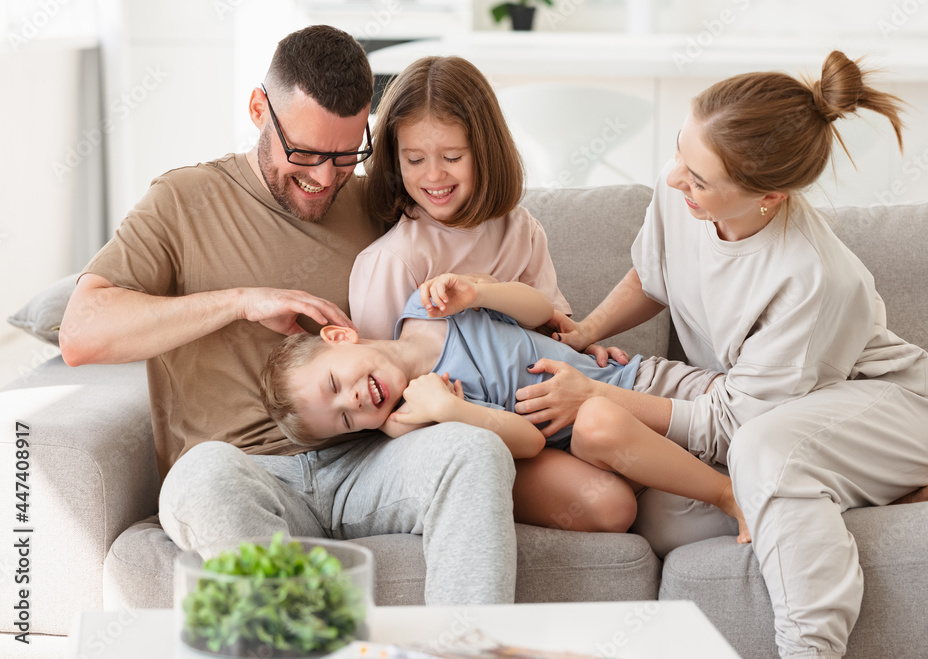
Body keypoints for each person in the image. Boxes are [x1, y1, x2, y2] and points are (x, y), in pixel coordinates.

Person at [510, 51, 928, 657]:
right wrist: (581, 336)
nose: (673, 180)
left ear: (769, 194)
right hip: (772, 412)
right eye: (681, 154)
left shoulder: (812, 277)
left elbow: (732, 425)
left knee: (765, 452)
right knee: (662, 515)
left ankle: (810, 648)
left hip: (880, 411)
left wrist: (597, 394)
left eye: (698, 178)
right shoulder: (680, 194)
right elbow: (653, 277)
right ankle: (859, 500)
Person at [58, 25, 518, 606]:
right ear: (258, 109)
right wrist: (239, 302)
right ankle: (297, 638)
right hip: (245, 474)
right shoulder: (183, 202)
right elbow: (82, 333)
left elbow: (477, 277)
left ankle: (469, 646)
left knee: (474, 452)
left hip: (368, 463)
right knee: (202, 478)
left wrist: (577, 340)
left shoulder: (377, 202)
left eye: (346, 155)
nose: (325, 178)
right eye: (305, 153)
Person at [259, 273, 748, 538]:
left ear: (340, 336)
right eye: (346, 418)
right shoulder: (411, 414)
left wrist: (480, 292)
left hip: (628, 383)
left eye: (334, 383)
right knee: (597, 423)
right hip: (595, 445)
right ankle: (727, 494)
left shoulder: (429, 306)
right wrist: (452, 412)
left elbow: (542, 314)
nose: (356, 399)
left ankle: (732, 482)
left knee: (753, 418)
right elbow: (529, 441)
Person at [349, 55, 570, 341]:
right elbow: (374, 367)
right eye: (415, 160)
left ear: (486, 150)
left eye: (452, 157)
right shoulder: (393, 260)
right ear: (396, 158)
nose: (434, 175)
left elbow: (556, 332)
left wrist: (585, 347)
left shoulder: (522, 231)